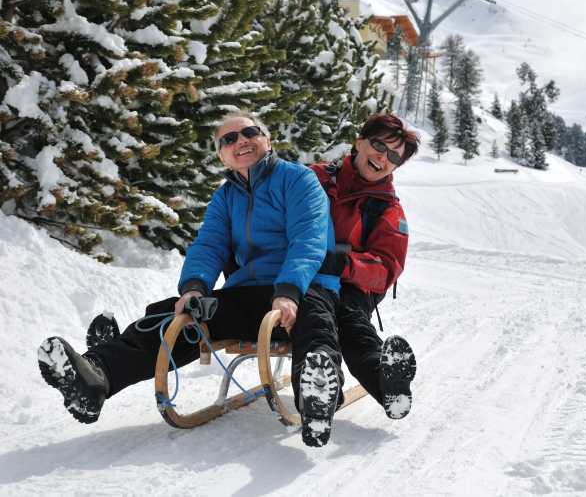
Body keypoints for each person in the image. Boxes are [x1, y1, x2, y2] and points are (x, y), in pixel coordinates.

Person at [37, 112, 344, 447]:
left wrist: (288, 292)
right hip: (245, 294)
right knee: (174, 316)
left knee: (314, 320)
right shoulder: (225, 197)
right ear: (222, 156)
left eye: (249, 132)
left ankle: (315, 399)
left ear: (266, 140)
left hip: (301, 288)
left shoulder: (298, 180)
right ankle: (98, 376)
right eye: (229, 139)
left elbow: (308, 240)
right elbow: (209, 245)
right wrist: (195, 287)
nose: (240, 141)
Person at [311, 113, 419, 420]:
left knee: (348, 320)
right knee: (318, 314)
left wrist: (345, 265)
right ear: (359, 142)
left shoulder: (387, 208)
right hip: (303, 275)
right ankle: (323, 381)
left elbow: (387, 267)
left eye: (394, 157)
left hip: (352, 285)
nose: (383, 158)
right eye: (379, 146)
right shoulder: (315, 178)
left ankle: (386, 381)